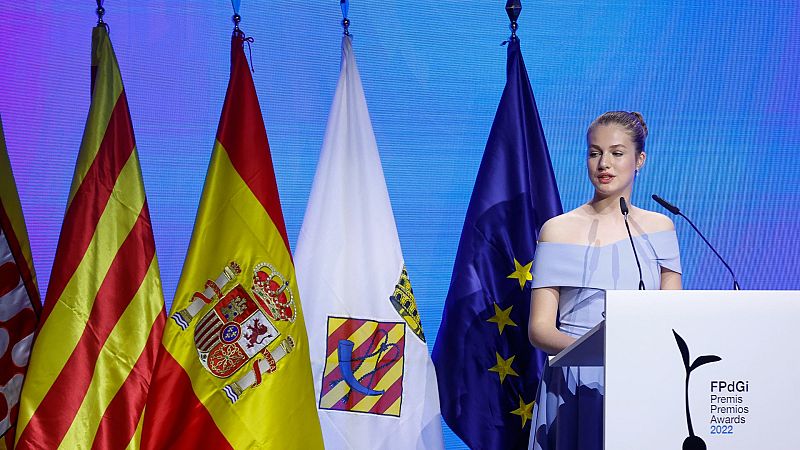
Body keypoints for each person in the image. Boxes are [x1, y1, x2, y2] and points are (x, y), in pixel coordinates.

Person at [527, 111, 682, 450]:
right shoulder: (558, 230)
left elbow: (672, 316)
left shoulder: (660, 229)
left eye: (617, 153)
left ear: (639, 159)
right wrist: (597, 352)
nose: (603, 164)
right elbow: (539, 328)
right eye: (594, 153)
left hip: (642, 378)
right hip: (574, 381)